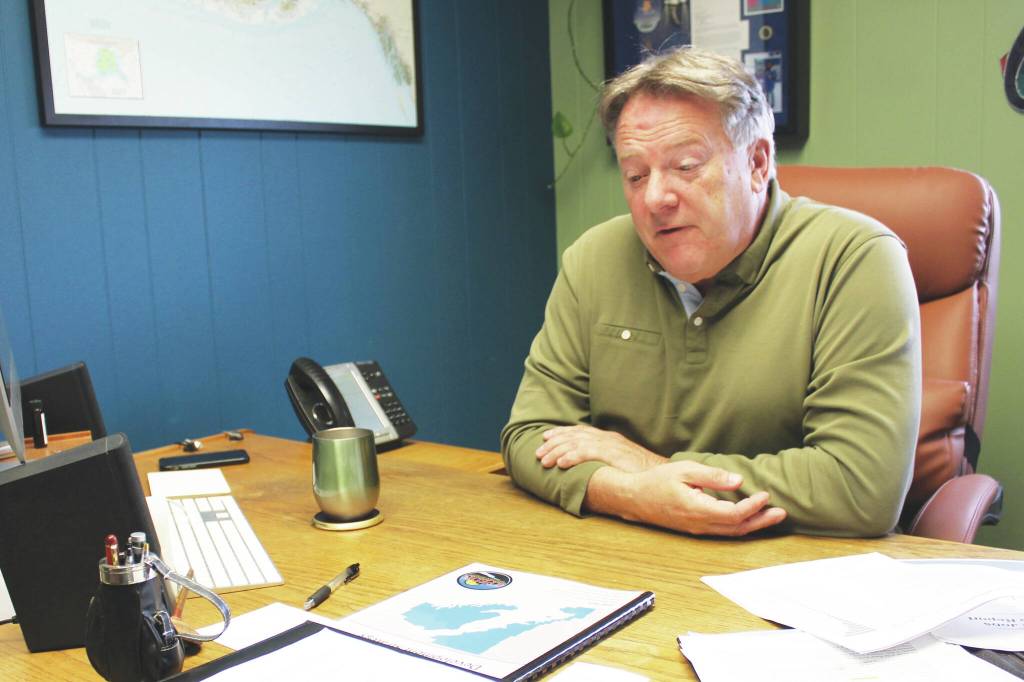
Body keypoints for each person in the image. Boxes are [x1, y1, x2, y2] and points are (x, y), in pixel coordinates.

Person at [500, 47, 921, 538]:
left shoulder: (855, 258)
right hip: (622, 555)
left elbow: (861, 487)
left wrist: (646, 465)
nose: (656, 198)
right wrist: (634, 497)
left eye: (685, 166)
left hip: (789, 574)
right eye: (635, 175)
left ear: (758, 162)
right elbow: (530, 435)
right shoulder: (593, 258)